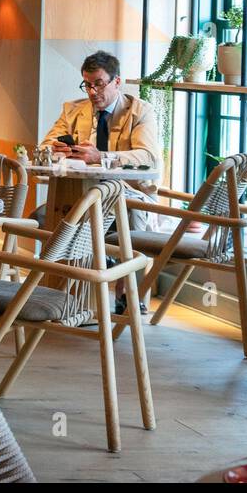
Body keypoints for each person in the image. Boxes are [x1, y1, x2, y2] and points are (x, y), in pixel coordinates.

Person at [41, 50, 161, 315]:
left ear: (117, 82)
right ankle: (58, 294)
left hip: (128, 192)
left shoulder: (139, 111)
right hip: (82, 192)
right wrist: (61, 150)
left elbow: (149, 157)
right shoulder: (73, 110)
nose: (93, 91)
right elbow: (46, 145)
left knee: (129, 215)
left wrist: (103, 157)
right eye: (87, 84)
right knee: (47, 215)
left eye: (99, 83)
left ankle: (128, 293)